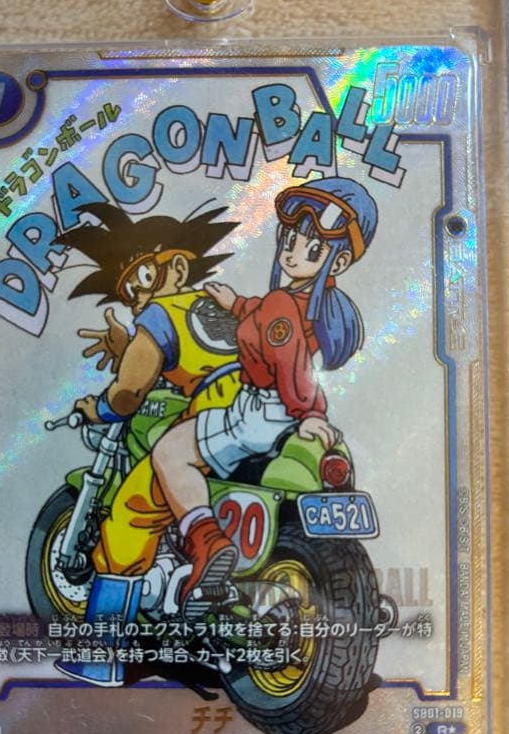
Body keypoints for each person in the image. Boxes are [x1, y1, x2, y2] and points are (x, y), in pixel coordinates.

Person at [150, 176, 378, 605]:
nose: (292, 252)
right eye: (290, 240)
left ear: (339, 261)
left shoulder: (281, 305)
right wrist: (236, 305)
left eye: (312, 248)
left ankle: (206, 542)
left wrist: (308, 411)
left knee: (168, 453)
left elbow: (291, 361)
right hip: (284, 416)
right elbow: (276, 324)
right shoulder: (317, 304)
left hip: (260, 415)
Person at [56, 202, 242, 578]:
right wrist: (129, 350)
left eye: (143, 275)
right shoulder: (218, 304)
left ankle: (114, 605)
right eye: (129, 291)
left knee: (133, 511)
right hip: (265, 402)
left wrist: (98, 409)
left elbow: (128, 394)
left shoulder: (159, 313)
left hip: (216, 405)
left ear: (178, 269)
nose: (137, 294)